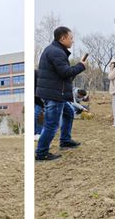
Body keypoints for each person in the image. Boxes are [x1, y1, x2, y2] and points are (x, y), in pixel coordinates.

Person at [35, 26, 86, 161]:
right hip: (54, 94)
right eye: (71, 38)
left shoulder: (55, 50)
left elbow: (62, 73)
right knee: (51, 124)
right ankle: (41, 153)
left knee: (69, 113)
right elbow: (65, 72)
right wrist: (81, 66)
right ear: (62, 38)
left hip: (56, 92)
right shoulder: (56, 52)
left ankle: (65, 140)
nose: (72, 41)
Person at [34, 70, 44, 141]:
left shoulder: (37, 74)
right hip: (36, 99)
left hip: (40, 99)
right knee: (35, 115)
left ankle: (39, 133)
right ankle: (35, 132)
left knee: (38, 116)